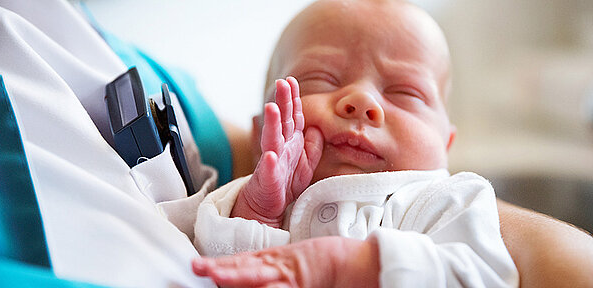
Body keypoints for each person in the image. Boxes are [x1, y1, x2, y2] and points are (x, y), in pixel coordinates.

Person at [191, 0, 593, 287]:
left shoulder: (445, 204)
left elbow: (486, 275)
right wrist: (256, 212)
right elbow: (220, 266)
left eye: (405, 93)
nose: (362, 101)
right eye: (320, 79)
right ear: (263, 129)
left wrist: (354, 266)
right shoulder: (251, 197)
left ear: (445, 144)